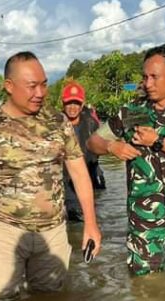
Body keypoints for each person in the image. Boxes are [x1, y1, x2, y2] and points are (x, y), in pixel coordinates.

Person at [0, 51, 102, 300]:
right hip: (3, 232)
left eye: (43, 84)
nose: (40, 93)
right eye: (32, 86)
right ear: (9, 86)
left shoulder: (57, 122)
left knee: (51, 294)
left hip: (52, 232)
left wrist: (91, 223)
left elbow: (79, 172)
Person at [87, 43, 165, 274]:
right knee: (144, 285)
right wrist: (112, 145)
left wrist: (158, 141)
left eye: (155, 77)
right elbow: (92, 143)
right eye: (145, 77)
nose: (148, 84)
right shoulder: (128, 112)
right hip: (143, 219)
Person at [61, 81, 105, 222]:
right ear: (63, 103)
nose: (73, 107)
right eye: (69, 103)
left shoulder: (91, 123)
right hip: (66, 180)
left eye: (76, 103)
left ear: (82, 104)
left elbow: (104, 143)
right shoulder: (55, 124)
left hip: (88, 174)